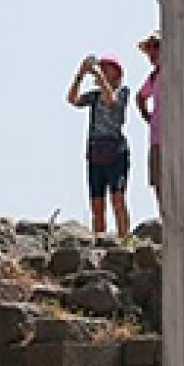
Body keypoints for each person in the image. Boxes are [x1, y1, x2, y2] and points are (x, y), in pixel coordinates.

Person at [68, 53, 132, 238]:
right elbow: (72, 99)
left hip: (116, 152)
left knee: (117, 198)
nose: (102, 70)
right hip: (96, 151)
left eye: (107, 67)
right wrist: (80, 75)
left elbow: (110, 99)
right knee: (97, 203)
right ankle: (100, 240)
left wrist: (97, 73)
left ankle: (124, 238)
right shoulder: (94, 96)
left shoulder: (123, 92)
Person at [134, 32, 163, 195]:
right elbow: (140, 97)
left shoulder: (177, 73)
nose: (152, 52)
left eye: (156, 46)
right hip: (157, 137)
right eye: (150, 48)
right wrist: (149, 118)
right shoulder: (153, 77)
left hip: (179, 136)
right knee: (159, 184)